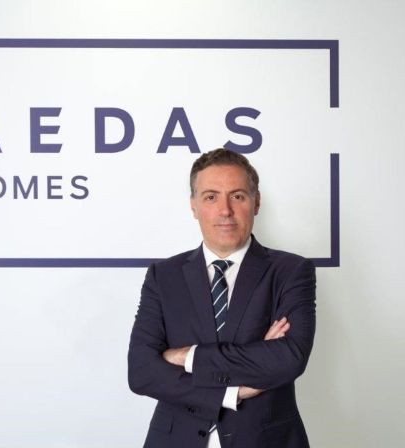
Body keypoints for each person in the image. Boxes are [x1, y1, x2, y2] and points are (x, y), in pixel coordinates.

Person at [128, 148, 316, 448]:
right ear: (193, 205)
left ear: (256, 202)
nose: (225, 210)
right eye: (211, 197)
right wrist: (232, 392)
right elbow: (142, 371)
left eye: (237, 196)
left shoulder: (291, 271)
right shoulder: (163, 276)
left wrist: (187, 357)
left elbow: (289, 358)